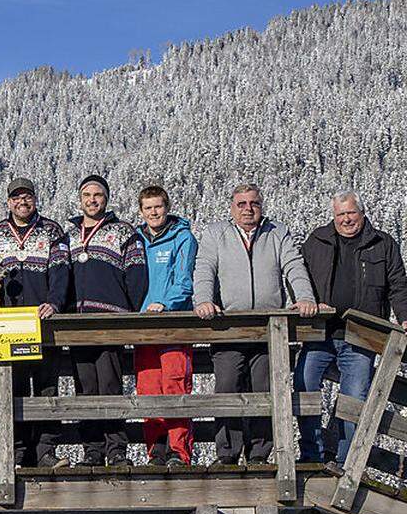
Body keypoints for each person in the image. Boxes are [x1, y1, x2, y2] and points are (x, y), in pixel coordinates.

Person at [194, 183, 317, 465]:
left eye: (254, 203)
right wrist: (202, 300)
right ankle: (227, 453)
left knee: (265, 390)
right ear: (232, 207)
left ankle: (260, 454)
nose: (248, 209)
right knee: (226, 387)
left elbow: (294, 266)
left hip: (267, 329)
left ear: (261, 206)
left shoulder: (277, 232)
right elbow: (204, 269)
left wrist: (305, 298)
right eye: (242, 204)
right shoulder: (216, 234)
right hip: (228, 328)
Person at [297, 191, 407, 465]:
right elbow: (299, 276)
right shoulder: (317, 240)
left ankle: (345, 463)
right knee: (304, 386)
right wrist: (306, 301)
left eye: (351, 213)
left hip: (361, 337)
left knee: (354, 399)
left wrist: (405, 316)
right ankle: (313, 455)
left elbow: (398, 285)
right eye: (341, 215)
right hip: (319, 332)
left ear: (362, 212)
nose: (346, 220)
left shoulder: (382, 244)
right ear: (333, 216)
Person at [0, 177, 70, 469]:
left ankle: (46, 451)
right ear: (8, 202)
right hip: (8, 326)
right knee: (12, 389)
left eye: (27, 197)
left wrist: (55, 302)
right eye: (16, 198)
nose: (22, 202)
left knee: (47, 389)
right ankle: (15, 451)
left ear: (35, 199)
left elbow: (61, 272)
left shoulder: (51, 231)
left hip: (43, 323)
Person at [67, 175, 148, 467]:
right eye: (87, 195)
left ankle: (116, 449)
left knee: (111, 386)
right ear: (80, 199)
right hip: (76, 325)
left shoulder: (124, 233)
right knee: (85, 388)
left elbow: (137, 278)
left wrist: (126, 314)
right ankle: (92, 450)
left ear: (106, 198)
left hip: (110, 321)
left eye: (98, 195)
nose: (92, 200)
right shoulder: (69, 236)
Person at [135, 186, 198, 466]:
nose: (154, 212)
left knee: (175, 385)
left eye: (158, 206)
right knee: (149, 388)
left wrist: (166, 304)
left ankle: (179, 450)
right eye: (148, 208)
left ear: (167, 207)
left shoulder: (182, 237)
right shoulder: (136, 240)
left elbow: (184, 280)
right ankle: (156, 449)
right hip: (143, 326)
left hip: (173, 323)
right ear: (141, 211)